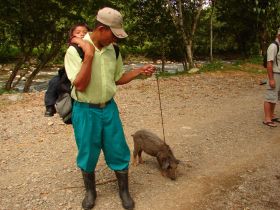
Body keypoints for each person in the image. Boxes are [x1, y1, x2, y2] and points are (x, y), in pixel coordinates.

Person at [64, 7, 156, 210]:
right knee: (87, 151)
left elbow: (118, 78)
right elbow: (79, 85)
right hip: (85, 110)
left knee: (118, 148)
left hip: (109, 109)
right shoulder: (76, 51)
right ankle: (90, 192)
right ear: (101, 28)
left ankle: (124, 191)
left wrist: (139, 72)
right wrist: (88, 55)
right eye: (113, 35)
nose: (116, 40)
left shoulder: (113, 50)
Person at [44, 23, 90, 117]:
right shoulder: (73, 46)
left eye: (85, 32)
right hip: (67, 74)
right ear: (72, 35)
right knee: (54, 82)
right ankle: (50, 107)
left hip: (83, 75)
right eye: (78, 32)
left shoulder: (92, 46)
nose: (82, 34)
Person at [263, 28, 280, 127]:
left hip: (279, 73)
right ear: (278, 35)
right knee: (270, 96)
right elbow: (269, 63)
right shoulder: (273, 46)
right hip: (274, 74)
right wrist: (271, 79)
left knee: (275, 97)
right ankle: (267, 119)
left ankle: (272, 115)